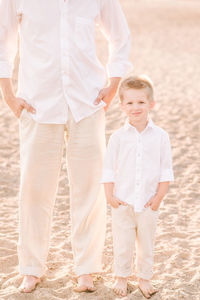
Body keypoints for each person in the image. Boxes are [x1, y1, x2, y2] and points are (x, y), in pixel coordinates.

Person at [0, 0, 131, 293]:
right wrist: (8, 94)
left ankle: (87, 268)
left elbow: (120, 36)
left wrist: (114, 84)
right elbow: (3, 40)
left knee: (89, 188)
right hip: (37, 102)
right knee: (34, 187)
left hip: (88, 100)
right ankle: (31, 268)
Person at [101, 75, 174, 298]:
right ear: (122, 106)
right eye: (130, 103)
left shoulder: (161, 136)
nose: (136, 107)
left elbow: (166, 170)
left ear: (151, 104)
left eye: (141, 102)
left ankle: (144, 278)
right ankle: (121, 277)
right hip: (122, 201)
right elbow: (108, 169)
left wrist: (158, 198)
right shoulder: (117, 137)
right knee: (122, 242)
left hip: (149, 201)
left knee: (146, 244)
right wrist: (110, 196)